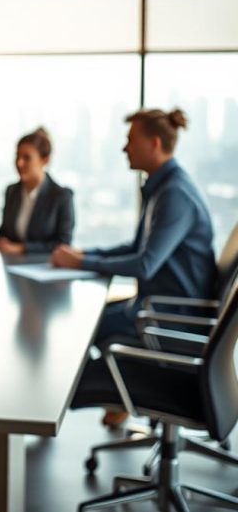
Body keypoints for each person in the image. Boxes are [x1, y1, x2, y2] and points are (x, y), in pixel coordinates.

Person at [55, 108, 216, 426]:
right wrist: (85, 253)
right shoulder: (163, 187)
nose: (124, 148)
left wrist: (85, 262)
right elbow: (136, 247)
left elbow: (145, 264)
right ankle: (117, 396)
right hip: (157, 306)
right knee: (89, 321)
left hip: (170, 319)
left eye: (130, 140)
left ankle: (111, 392)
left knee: (78, 332)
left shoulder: (174, 195)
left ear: (154, 143)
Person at [0, 128, 75, 254]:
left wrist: (21, 248)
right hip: (11, 264)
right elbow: (4, 232)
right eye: (17, 156)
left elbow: (63, 244)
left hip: (45, 267)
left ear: (44, 160)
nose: (19, 163)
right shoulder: (12, 191)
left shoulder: (61, 196)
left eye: (27, 158)